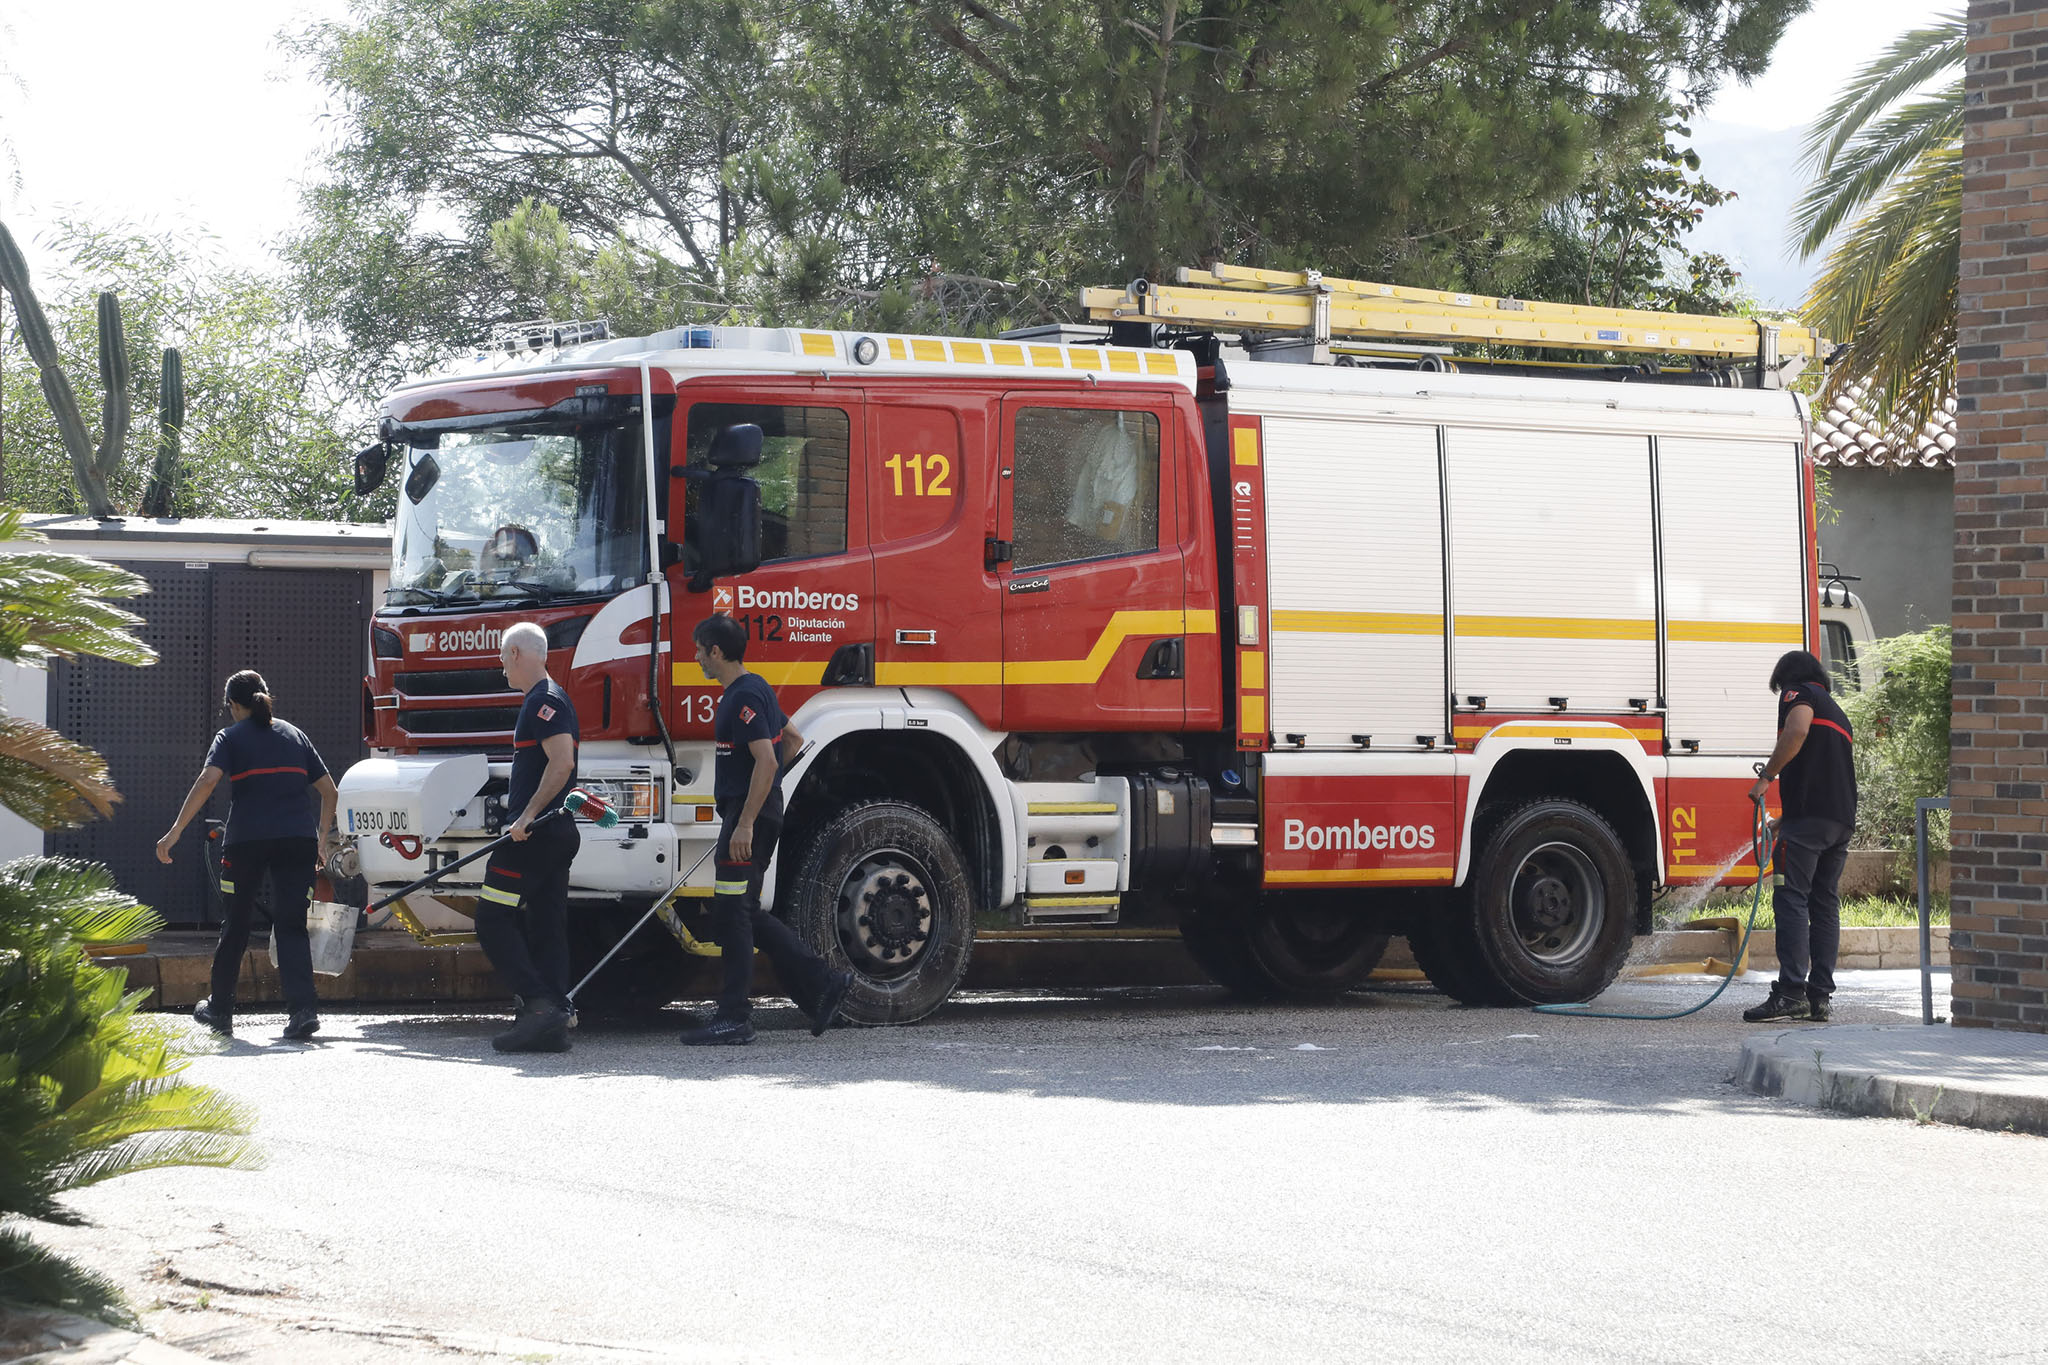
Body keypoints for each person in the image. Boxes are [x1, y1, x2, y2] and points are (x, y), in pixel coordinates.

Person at [683, 613, 852, 1046]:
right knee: (739, 911)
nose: (697, 657)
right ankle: (822, 983)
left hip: (747, 816)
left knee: (732, 913)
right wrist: (769, 793)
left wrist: (746, 821)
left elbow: (770, 759)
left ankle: (735, 1016)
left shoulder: (742, 697)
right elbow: (792, 739)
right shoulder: (755, 688)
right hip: (754, 810)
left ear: (715, 652)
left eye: (700, 650)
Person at [157, 671, 337, 1041]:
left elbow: (208, 780)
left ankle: (220, 1010)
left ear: (234, 706)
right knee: (291, 925)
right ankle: (303, 1011)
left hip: (247, 841)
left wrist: (175, 831)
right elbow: (329, 791)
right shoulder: (295, 735)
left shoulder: (229, 736)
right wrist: (320, 840)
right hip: (298, 841)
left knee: (236, 924)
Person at [477, 621, 582, 1054]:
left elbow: (562, 763)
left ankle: (539, 1006)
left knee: (492, 917)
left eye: (504, 659)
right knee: (545, 924)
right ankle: (553, 1016)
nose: (502, 668)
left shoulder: (545, 701)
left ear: (518, 654)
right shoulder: (545, 700)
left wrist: (526, 816)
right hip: (551, 833)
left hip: (535, 835)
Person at [1744, 648, 1858, 1024]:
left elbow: (1797, 730)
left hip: (1809, 822)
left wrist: (1766, 779)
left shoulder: (1799, 693)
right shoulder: (1838, 711)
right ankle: (1819, 997)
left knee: (1791, 898)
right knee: (1824, 905)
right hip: (1837, 822)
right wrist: (1786, 819)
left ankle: (1791, 992)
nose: (1782, 694)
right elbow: (1822, 769)